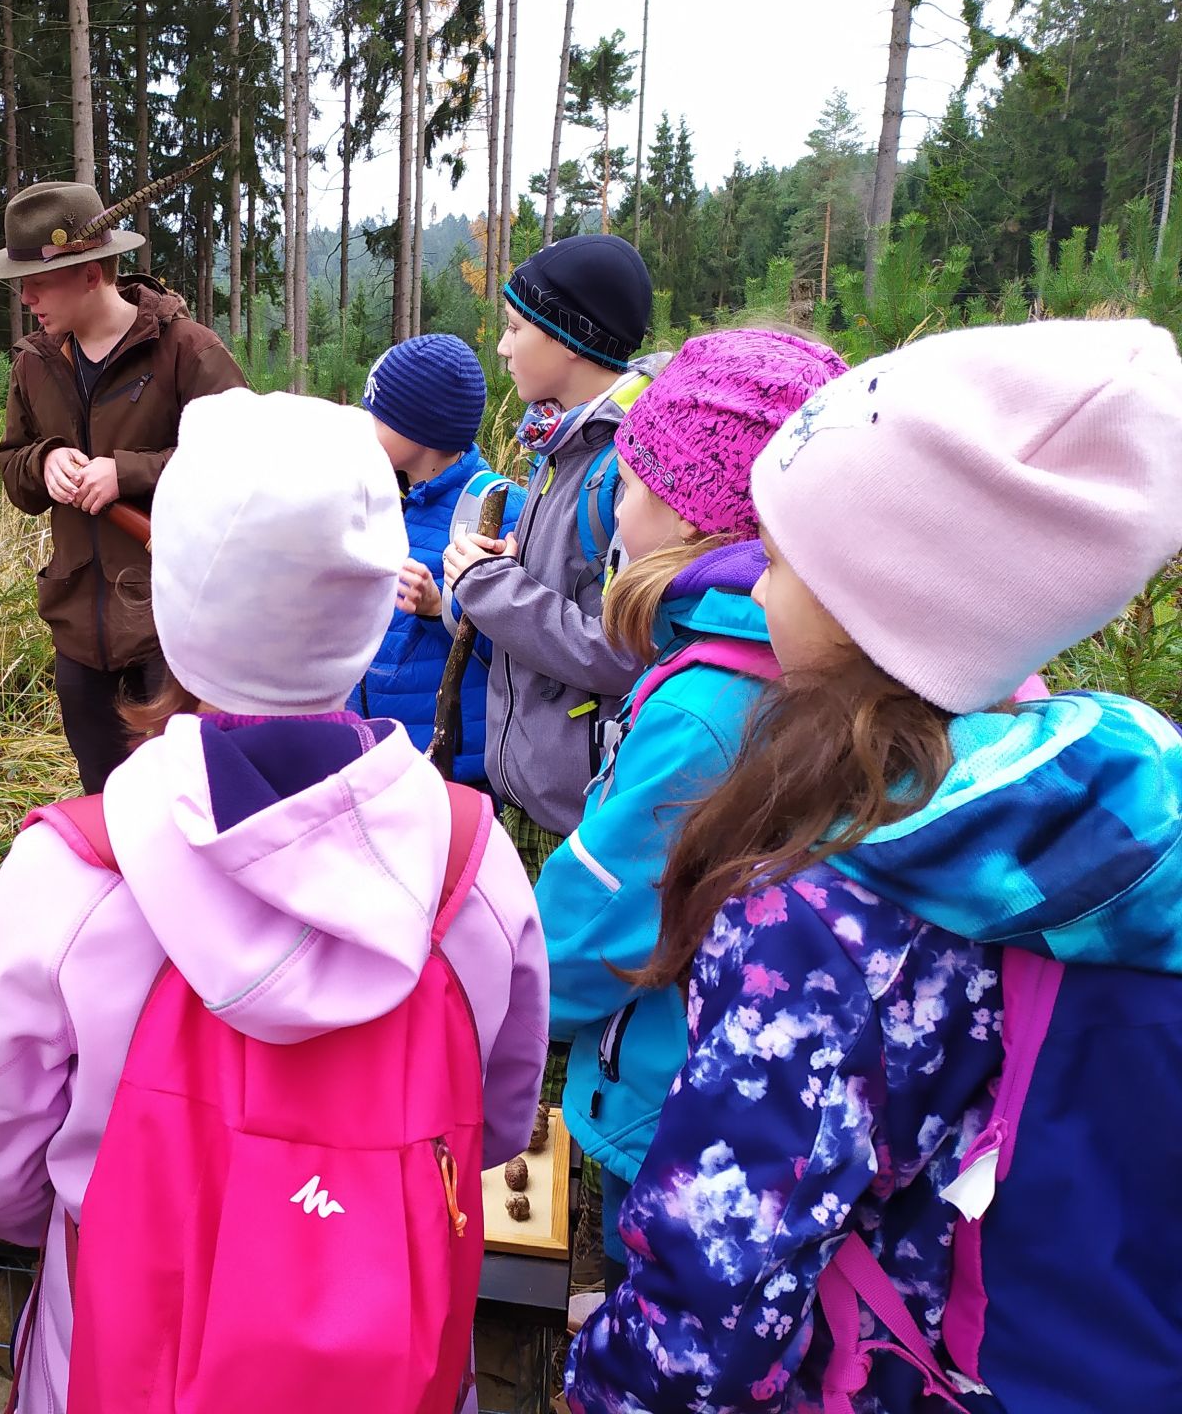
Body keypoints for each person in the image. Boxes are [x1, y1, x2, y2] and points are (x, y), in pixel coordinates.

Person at [567, 319, 1182, 1412]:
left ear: (884, 601)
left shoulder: (820, 916)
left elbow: (714, 1299)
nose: (756, 591)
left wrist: (603, 1388)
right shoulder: (1126, 817)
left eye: (782, 564)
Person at [0, 389, 550, 1414]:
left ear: (174, 605)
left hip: (118, 1349)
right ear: (367, 609)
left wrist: (88, 1212)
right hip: (393, 1353)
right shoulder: (471, 864)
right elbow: (496, 1122)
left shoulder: (76, 874)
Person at [534, 329, 847, 1293]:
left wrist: (487, 994)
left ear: (687, 508)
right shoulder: (803, 666)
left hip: (666, 1114)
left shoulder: (704, 712)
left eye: (627, 485)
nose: (614, 512)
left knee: (648, 1304)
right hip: (767, 1122)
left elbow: (590, 932)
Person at [0, 178, 247, 794]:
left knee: (184, 802)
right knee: (103, 802)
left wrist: (127, 472)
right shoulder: (34, 363)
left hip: (172, 634)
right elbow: (14, 469)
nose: (25, 298)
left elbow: (243, 461)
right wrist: (44, 461)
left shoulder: (185, 350)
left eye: (37, 281)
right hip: (78, 635)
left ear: (90, 273)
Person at [444, 234, 665, 879]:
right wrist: (497, 577)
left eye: (516, 328)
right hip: (530, 798)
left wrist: (489, 587)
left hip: (579, 822)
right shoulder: (560, 443)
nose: (502, 346)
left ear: (568, 339)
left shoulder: (627, 468)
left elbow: (624, 652)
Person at [349, 333, 526, 794]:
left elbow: (519, 646)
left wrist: (436, 607)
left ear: (420, 430)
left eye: (378, 416)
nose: (366, 428)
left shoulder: (495, 510)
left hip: (451, 771)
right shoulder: (382, 497)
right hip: (371, 755)